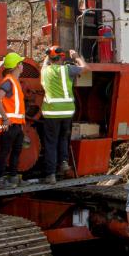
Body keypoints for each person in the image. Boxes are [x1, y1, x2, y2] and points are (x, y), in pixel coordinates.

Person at [39, 46, 87, 184]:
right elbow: (85, 68)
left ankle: (51, 175)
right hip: (67, 112)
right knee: (63, 138)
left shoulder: (44, 71)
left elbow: (45, 63)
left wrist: (48, 54)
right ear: (62, 58)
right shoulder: (67, 69)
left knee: (51, 143)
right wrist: (76, 57)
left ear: (50, 58)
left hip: (51, 113)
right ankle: (64, 162)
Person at [0, 52, 26, 188]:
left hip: (17, 125)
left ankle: (13, 177)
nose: (23, 65)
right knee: (5, 151)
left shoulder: (14, 81)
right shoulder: (8, 82)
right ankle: (0, 180)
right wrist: (6, 119)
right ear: (17, 66)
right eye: (21, 63)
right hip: (9, 125)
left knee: (17, 150)